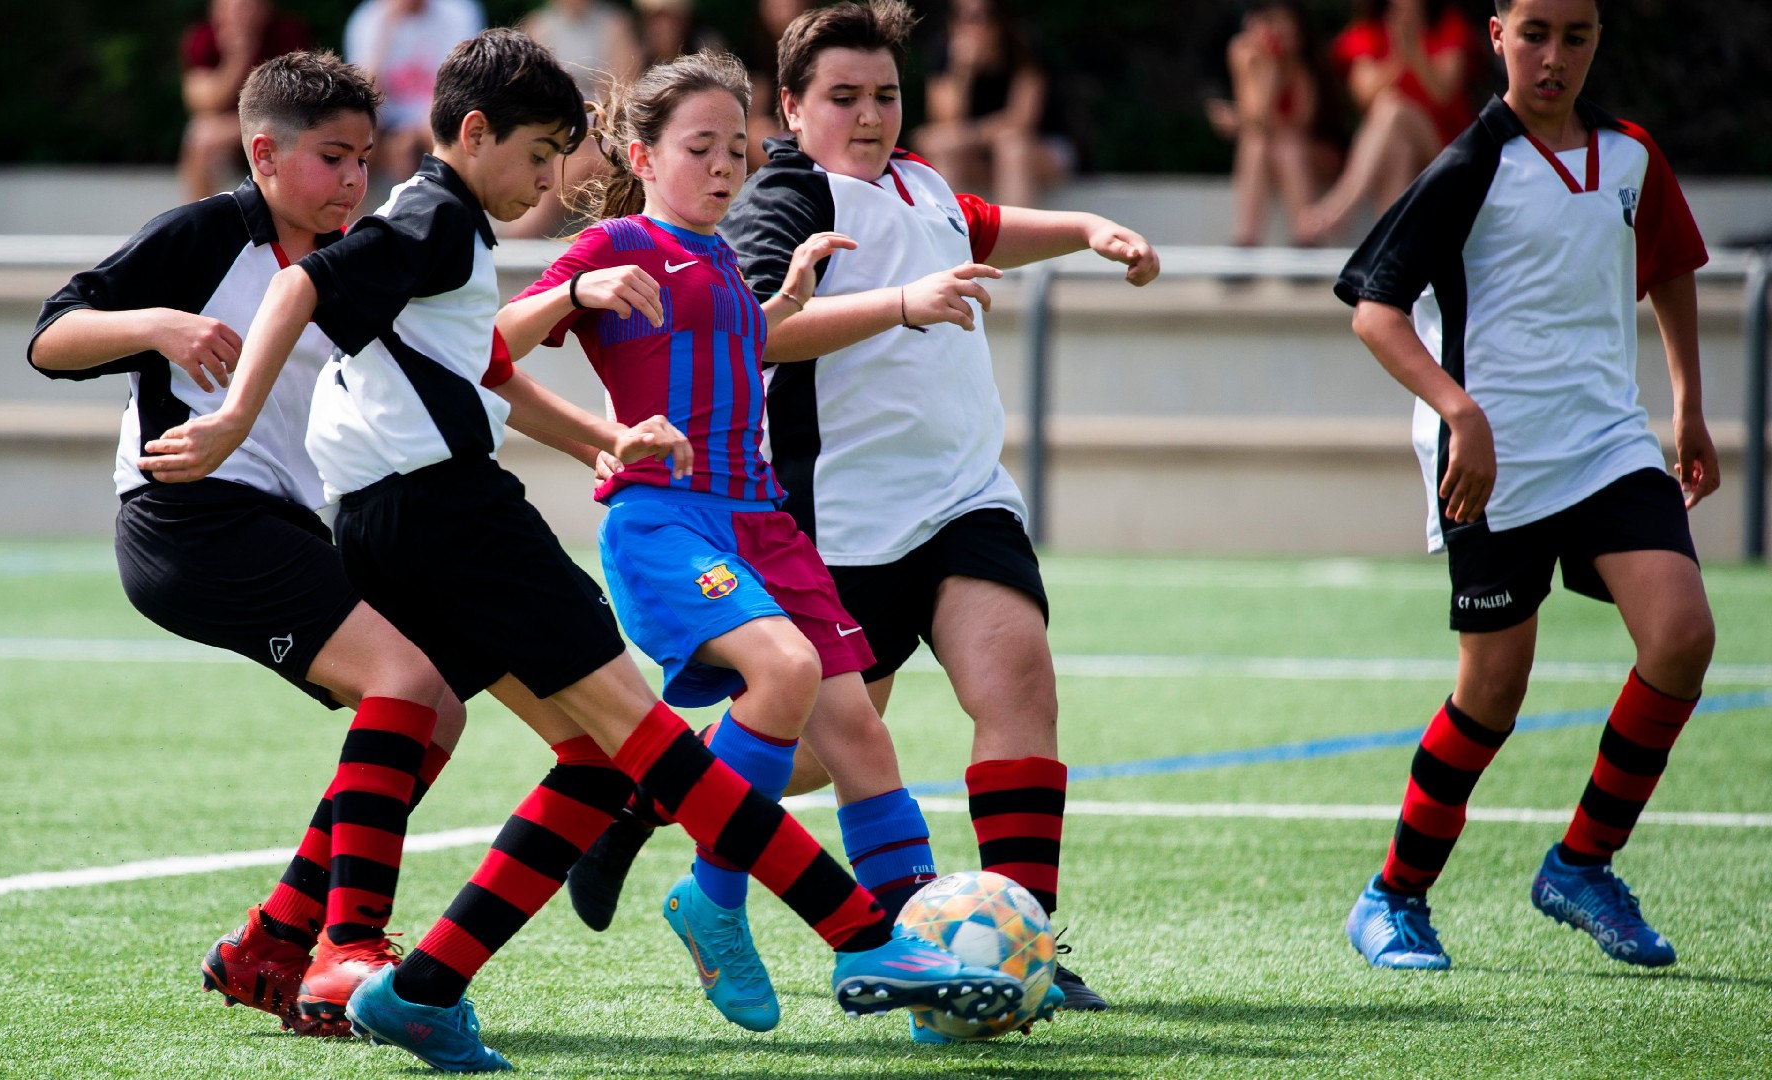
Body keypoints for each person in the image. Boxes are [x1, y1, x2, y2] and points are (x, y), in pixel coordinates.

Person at [138, 28, 1022, 1072]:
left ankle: (410, 985)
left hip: (406, 519)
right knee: (651, 744)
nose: (555, 177)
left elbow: (481, 374)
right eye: (542, 152)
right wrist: (239, 418)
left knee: (599, 763)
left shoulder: (455, 230)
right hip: (455, 520)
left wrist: (605, 435)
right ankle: (865, 939)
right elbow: (305, 290)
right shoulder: (434, 214)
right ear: (475, 134)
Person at [496, 50, 988, 1035]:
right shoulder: (615, 245)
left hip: (761, 520)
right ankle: (714, 902)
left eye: (737, 148)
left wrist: (788, 304)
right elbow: (496, 341)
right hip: (665, 519)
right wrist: (575, 297)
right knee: (786, 670)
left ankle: (913, 963)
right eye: (700, 148)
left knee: (860, 733)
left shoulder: (718, 254)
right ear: (641, 153)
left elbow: (731, 344)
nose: (725, 167)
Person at [715, 0, 1159, 1021]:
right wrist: (903, 303)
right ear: (791, 105)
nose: (869, 116)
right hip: (838, 529)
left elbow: (988, 225)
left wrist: (1091, 230)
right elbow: (752, 330)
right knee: (805, 759)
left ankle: (1027, 946)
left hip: (962, 503)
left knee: (1018, 681)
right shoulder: (787, 191)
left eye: (885, 94)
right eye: (843, 98)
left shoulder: (919, 183)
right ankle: (652, 791)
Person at [28, 51, 467, 1038]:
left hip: (277, 523)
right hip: (187, 516)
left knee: (436, 710)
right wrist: (162, 327)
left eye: (365, 159)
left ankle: (276, 941)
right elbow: (51, 337)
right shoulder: (208, 233)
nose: (354, 181)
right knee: (401, 683)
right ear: (263, 155)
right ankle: (347, 955)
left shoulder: (354, 257)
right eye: (331, 159)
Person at [1334, 0, 1717, 973]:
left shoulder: (1630, 154)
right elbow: (1374, 312)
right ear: (1496, 32)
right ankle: (1394, 896)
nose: (1554, 57)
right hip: (1489, 465)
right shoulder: (1471, 163)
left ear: (1598, 41)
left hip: (1606, 443)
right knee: (1492, 696)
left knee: (1682, 636)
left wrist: (1687, 408)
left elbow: (1668, 264)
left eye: (1576, 36)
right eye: (1534, 32)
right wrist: (1461, 414)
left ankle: (1583, 864)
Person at [1297, 0, 1475, 244]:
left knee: (1392, 108)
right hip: (1397, 147)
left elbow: (1444, 92)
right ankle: (1391, 252)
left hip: (1447, 149)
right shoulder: (1369, 30)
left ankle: (1341, 205)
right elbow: (1364, 95)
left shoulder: (1448, 25)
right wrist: (1398, 55)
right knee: (1398, 147)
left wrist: (1414, 48)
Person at [910, 0, 1072, 210]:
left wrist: (967, 136)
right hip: (980, 153)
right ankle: (953, 233)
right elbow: (945, 122)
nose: (967, 26)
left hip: (1043, 147)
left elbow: (1020, 122)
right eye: (959, 16)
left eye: (978, 17)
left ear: (999, 21)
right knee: (942, 148)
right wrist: (962, 71)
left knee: (1011, 149)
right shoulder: (944, 53)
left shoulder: (1023, 50)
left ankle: (1017, 239)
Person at [1210, 0, 1343, 247]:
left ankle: (1306, 236)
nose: (1279, 29)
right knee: (1257, 143)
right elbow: (1258, 119)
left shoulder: (1304, 64)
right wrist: (1268, 69)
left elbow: (1300, 123)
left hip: (1315, 153)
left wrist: (1286, 68)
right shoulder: (1244, 53)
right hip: (1271, 151)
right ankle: (1246, 239)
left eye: (1284, 21)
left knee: (1287, 144)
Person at [508, 0, 642, 237]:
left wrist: (592, 131)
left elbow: (622, 92)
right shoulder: (538, 26)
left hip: (600, 128)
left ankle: (519, 233)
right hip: (557, 125)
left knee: (582, 161)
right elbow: (531, 94)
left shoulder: (614, 26)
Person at [178, 0, 313, 202]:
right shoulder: (204, 38)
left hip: (280, 122)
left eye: (249, 6)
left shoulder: (287, 35)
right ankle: (203, 225)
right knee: (200, 140)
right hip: (232, 128)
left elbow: (294, 102)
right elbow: (203, 101)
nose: (243, 14)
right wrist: (238, 57)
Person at [343, 0, 486, 185]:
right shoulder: (368, 19)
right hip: (387, 121)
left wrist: (413, 133)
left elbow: (462, 83)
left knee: (440, 131)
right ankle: (353, 212)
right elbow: (365, 92)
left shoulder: (460, 12)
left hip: (433, 114)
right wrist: (386, 29)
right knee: (357, 132)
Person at [740, 0, 815, 170]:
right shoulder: (753, 50)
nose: (781, 8)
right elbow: (754, 114)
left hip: (813, 125)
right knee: (757, 132)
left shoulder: (820, 48)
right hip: (778, 131)